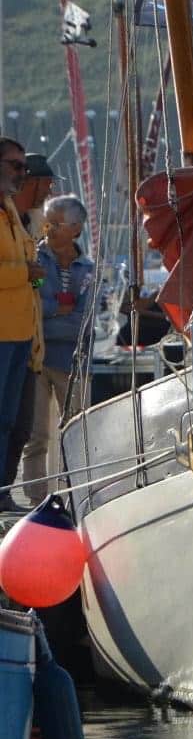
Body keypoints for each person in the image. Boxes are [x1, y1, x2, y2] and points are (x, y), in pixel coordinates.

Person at [24, 195, 93, 493]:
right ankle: (35, 497)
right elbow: (34, 303)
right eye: (46, 223)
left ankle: (73, 492)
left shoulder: (87, 270)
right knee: (35, 434)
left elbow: (84, 320)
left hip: (73, 362)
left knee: (76, 431)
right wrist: (57, 309)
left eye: (54, 224)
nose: (47, 229)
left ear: (75, 229)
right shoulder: (35, 263)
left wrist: (49, 315)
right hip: (36, 359)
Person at [0, 141, 39, 503]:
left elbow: (31, 270)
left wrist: (35, 276)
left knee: (11, 423)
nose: (21, 173)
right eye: (14, 165)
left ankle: (2, 492)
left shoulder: (11, 210)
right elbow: (21, 270)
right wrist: (25, 273)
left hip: (21, 333)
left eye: (24, 167)